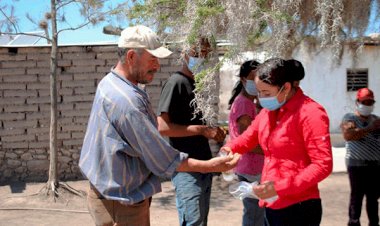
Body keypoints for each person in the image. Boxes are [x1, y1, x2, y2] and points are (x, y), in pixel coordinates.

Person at [78, 25, 239, 226]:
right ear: (131, 56)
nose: (157, 66)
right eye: (152, 59)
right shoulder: (128, 101)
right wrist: (209, 166)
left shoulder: (112, 83)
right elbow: (162, 158)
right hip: (121, 202)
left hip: (112, 192)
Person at [221, 58, 333, 226]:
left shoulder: (310, 113)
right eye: (259, 92)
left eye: (266, 93)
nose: (260, 98)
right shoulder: (268, 112)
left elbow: (322, 164)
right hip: (272, 203)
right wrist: (229, 150)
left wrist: (279, 187)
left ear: (286, 87)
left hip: (299, 207)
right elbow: (248, 137)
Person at [156, 37, 227, 226]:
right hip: (186, 167)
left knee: (201, 221)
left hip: (204, 164)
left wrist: (213, 131)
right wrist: (202, 130)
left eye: (205, 54)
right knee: (192, 221)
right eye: (196, 53)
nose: (201, 58)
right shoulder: (176, 82)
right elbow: (162, 127)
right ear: (184, 54)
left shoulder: (197, 84)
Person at [227, 60, 265, 226]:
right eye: (252, 77)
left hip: (251, 166)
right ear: (243, 79)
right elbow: (247, 140)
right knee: (254, 214)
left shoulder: (250, 102)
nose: (256, 80)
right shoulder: (243, 103)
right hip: (251, 168)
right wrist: (271, 151)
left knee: (256, 213)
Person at [340, 87, 380, 226]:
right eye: (365, 102)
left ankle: (374, 223)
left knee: (373, 198)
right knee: (357, 196)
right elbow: (348, 135)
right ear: (358, 102)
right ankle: (353, 222)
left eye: (370, 102)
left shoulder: (376, 120)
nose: (367, 105)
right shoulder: (350, 118)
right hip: (357, 165)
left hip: (375, 165)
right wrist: (370, 128)